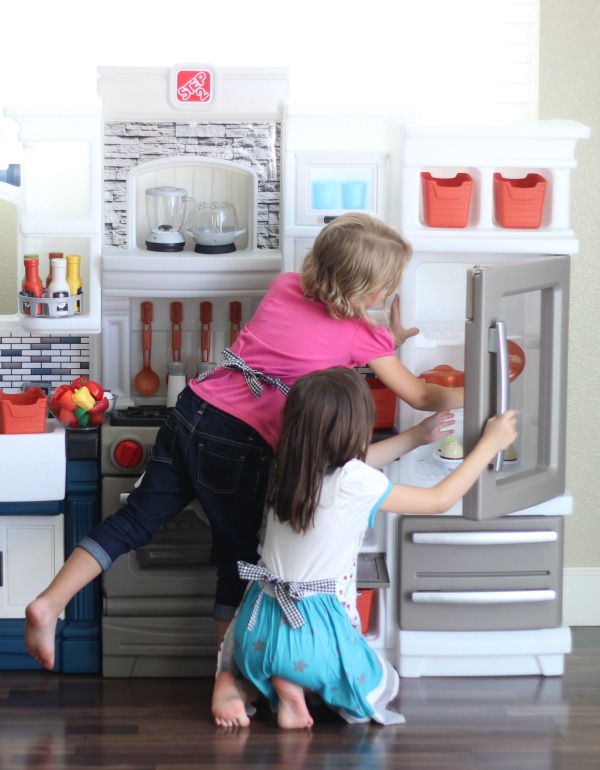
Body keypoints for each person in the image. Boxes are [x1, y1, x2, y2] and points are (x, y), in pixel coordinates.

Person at [25, 212, 463, 676]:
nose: (387, 295)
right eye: (385, 287)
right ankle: (229, 680)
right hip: (238, 445)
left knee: (133, 521)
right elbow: (420, 393)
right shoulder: (361, 334)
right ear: (362, 289)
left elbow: (309, 346)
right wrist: (489, 384)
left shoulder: (286, 286)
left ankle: (50, 603)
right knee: (242, 557)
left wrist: (380, 343)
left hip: (191, 410)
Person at [214, 367, 517, 729]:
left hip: (255, 629)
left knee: (275, 655)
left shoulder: (289, 467)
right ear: (354, 429)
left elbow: (354, 465)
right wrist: (489, 444)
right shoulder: (355, 483)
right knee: (380, 682)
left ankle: (246, 683)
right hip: (311, 637)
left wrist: (416, 436)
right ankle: (293, 683)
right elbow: (439, 499)